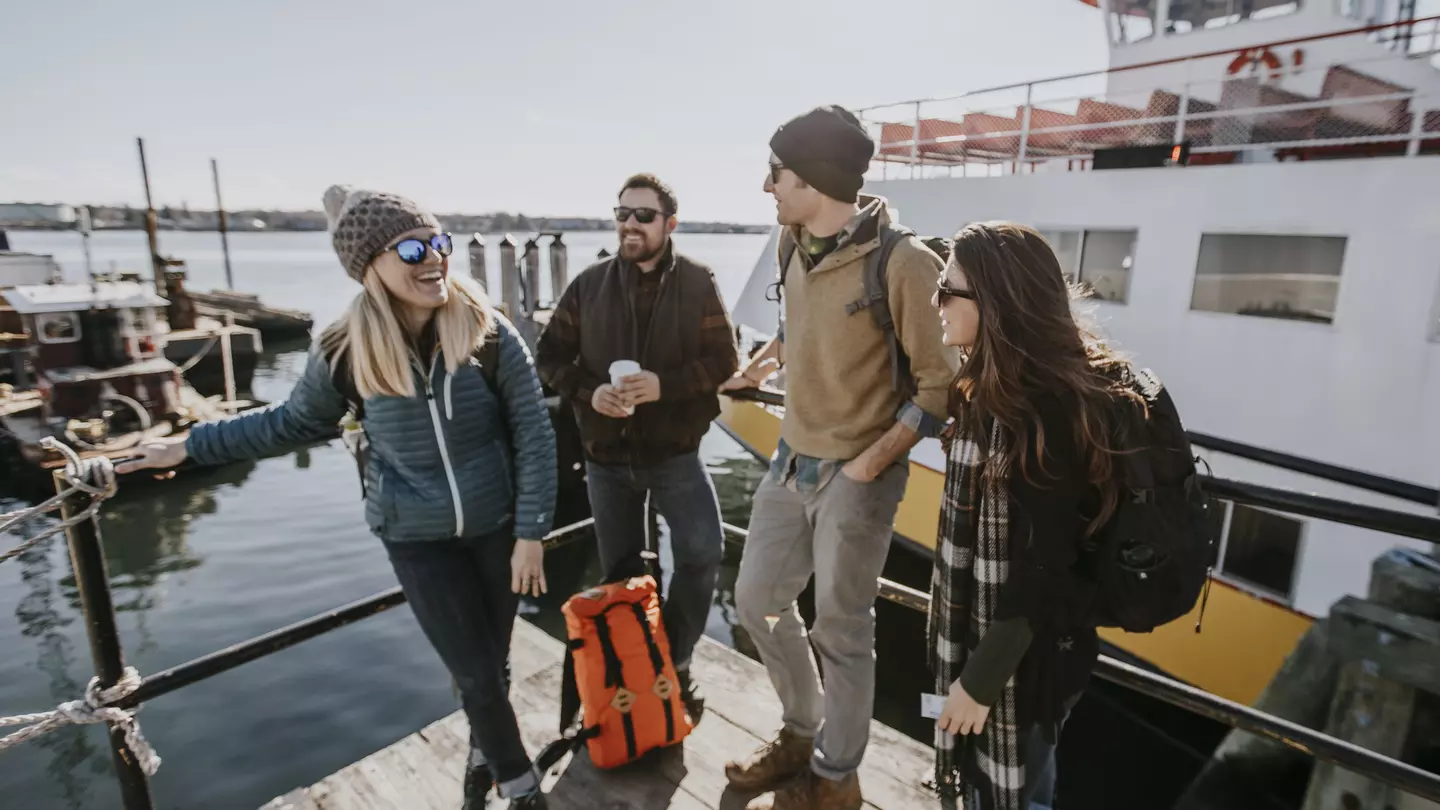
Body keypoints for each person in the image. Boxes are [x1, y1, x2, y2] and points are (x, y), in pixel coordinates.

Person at [117, 186, 558, 810]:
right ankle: (520, 787)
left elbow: (534, 432)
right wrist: (187, 447)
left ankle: (482, 755)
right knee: (477, 672)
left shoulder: (487, 331)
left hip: (497, 527)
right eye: (413, 249)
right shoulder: (345, 349)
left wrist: (531, 531)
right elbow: (287, 424)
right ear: (370, 265)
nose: (434, 257)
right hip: (416, 538)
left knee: (492, 664)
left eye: (439, 243)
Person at [720, 107, 959, 810]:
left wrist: (871, 462)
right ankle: (801, 732)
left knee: (841, 630)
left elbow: (940, 385)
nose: (767, 186)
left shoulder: (904, 263)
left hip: (860, 476)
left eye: (776, 174)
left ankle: (836, 777)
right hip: (791, 461)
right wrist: (760, 367)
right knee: (757, 601)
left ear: (813, 179)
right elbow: (799, 323)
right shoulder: (792, 241)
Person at [929, 222, 1131, 809]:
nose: (936, 302)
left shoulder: (1047, 411)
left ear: (997, 302)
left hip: (1034, 658)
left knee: (1021, 791)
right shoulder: (988, 390)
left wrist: (978, 682)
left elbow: (1046, 562)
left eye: (947, 289)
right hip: (1006, 643)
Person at [534, 173, 737, 721]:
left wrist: (663, 386)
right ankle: (636, 666)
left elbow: (725, 360)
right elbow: (549, 357)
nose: (630, 224)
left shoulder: (697, 281)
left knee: (702, 553)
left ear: (670, 224)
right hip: (604, 459)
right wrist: (590, 392)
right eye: (622, 213)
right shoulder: (589, 284)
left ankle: (675, 657)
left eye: (643, 216)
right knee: (622, 572)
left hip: (674, 453)